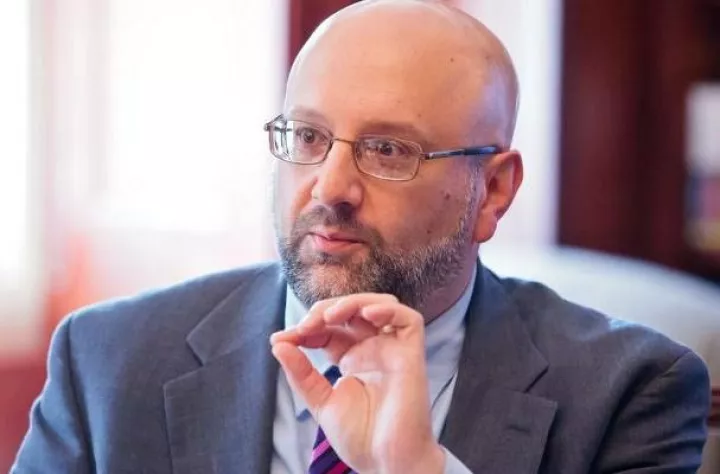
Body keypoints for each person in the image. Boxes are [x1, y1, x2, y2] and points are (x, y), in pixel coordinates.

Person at [12, 0, 710, 473]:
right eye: (308, 137)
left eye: (388, 150)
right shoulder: (108, 361)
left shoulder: (629, 392)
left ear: (493, 190)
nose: (330, 187)